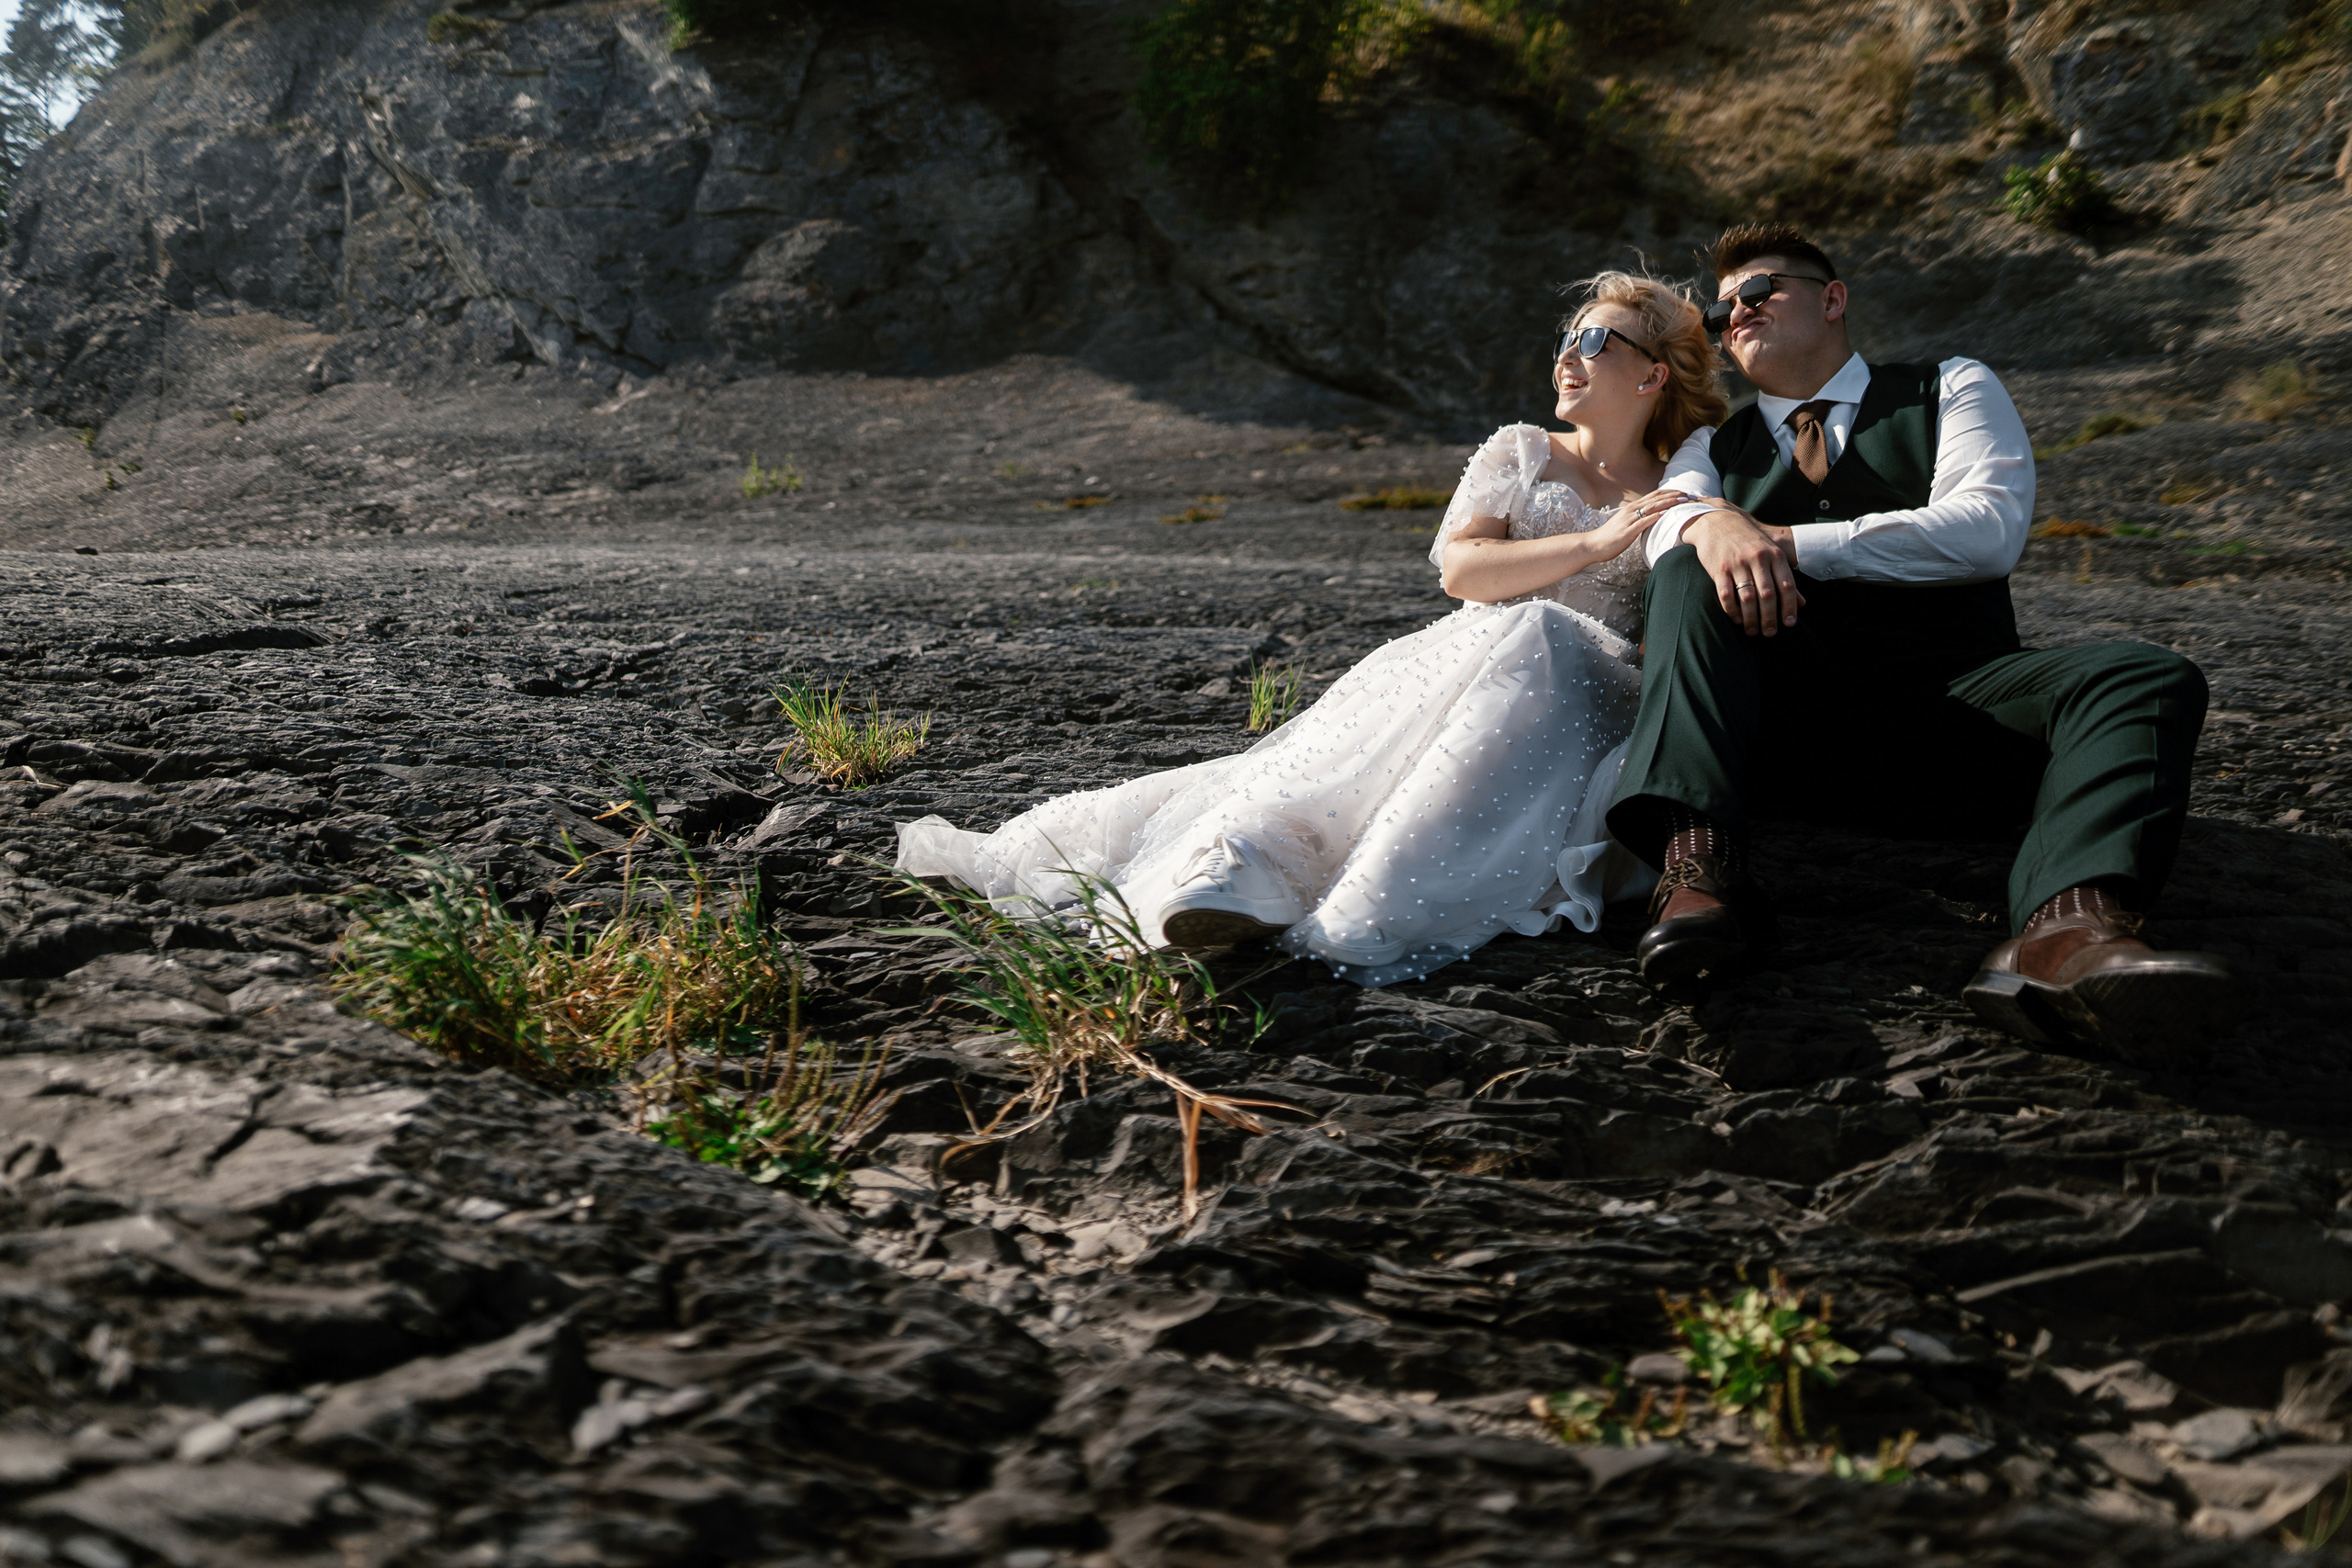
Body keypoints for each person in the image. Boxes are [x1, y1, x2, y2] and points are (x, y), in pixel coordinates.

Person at [894, 272, 1723, 987]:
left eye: (1594, 340)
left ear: (1653, 375)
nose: (1567, 355)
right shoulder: (1523, 450)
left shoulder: (1686, 483)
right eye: (1566, 339)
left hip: (1587, 699)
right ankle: (1234, 874)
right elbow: (1462, 570)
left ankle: (1380, 888)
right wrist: (1594, 544)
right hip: (1471, 664)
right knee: (1335, 774)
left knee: (1535, 646)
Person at [1608, 220, 2239, 1065]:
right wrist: (1704, 521)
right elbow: (1660, 528)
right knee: (1689, 567)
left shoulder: (1950, 386)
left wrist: (1781, 541)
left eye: (1758, 291)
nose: (1738, 316)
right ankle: (1699, 871)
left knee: (2145, 675)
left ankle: (2065, 931)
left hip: (1959, 713)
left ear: (1833, 298)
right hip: (1785, 738)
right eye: (1723, 314)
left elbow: (1985, 530)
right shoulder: (1711, 444)